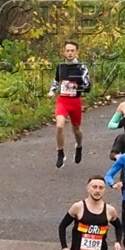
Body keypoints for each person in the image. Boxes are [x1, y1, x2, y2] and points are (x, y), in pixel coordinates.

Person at [50, 40, 89, 168]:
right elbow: (56, 81)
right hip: (63, 100)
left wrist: (77, 87)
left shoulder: (82, 68)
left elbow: (88, 86)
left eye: (72, 50)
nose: (70, 53)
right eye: (67, 50)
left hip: (75, 101)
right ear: (64, 52)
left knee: (76, 129)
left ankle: (79, 146)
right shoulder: (61, 66)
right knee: (59, 126)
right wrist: (52, 91)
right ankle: (60, 153)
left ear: (77, 52)